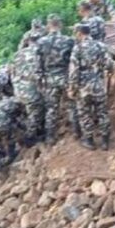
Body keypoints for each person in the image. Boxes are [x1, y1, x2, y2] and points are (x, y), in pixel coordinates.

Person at [68, 23, 115, 150]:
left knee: (84, 114)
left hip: (84, 88)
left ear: (79, 33)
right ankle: (105, 142)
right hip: (98, 86)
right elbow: (110, 65)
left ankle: (89, 141)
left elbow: (74, 71)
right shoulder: (100, 46)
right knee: (102, 113)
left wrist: (72, 89)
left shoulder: (77, 48)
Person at [36, 14, 75, 145]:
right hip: (65, 77)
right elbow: (74, 61)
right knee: (71, 105)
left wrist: (40, 80)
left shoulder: (41, 42)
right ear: (61, 25)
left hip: (50, 79)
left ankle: (50, 137)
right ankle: (76, 132)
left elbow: (38, 64)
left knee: (51, 109)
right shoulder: (69, 40)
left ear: (48, 25)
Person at [12, 31, 47, 147]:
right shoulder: (38, 53)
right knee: (36, 111)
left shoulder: (18, 54)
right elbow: (38, 73)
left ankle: (25, 131)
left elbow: (13, 71)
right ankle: (30, 137)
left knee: (27, 110)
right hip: (30, 88)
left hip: (18, 87)